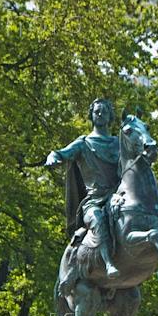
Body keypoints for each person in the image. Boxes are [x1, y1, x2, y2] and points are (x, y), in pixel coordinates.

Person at [45, 98, 123, 293]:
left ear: (110, 116)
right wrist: (53, 157)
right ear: (91, 116)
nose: (100, 114)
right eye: (97, 112)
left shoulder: (119, 143)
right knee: (97, 219)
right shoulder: (84, 143)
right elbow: (61, 153)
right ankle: (107, 263)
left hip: (117, 198)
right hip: (94, 202)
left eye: (104, 112)